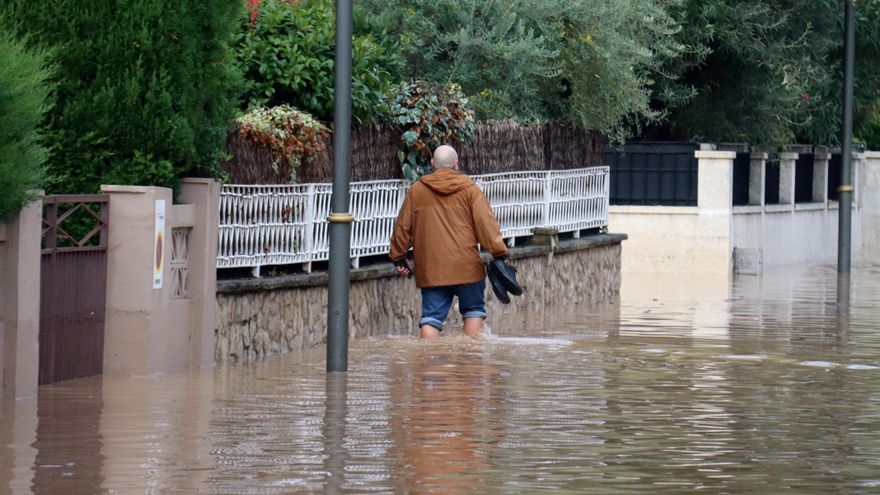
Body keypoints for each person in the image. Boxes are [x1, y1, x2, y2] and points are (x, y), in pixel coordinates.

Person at [389, 145, 509, 339]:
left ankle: (426, 363)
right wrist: (499, 253)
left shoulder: (417, 190)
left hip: (432, 268)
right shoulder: (470, 189)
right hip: (467, 265)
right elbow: (486, 225)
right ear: (456, 164)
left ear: (432, 164)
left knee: (431, 318)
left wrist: (398, 258)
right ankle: (470, 362)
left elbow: (403, 227)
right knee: (473, 311)